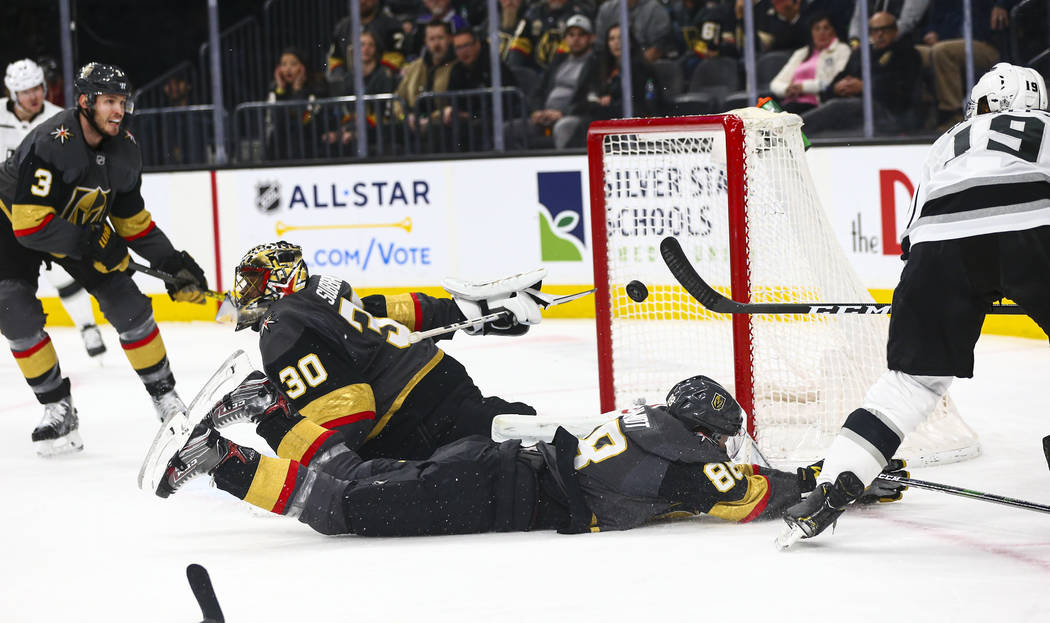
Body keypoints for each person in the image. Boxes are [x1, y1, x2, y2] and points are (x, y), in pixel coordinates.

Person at [781, 63, 1049, 546]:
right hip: (1036, 226)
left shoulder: (949, 141)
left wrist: (963, 290)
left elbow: (912, 239)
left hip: (942, 244)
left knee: (910, 381)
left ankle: (833, 485)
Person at [151, 371, 909, 536]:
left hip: (498, 466)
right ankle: (220, 457)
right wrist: (842, 482)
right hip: (499, 488)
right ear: (707, 431)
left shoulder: (653, 419)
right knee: (345, 506)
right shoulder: (688, 460)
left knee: (354, 473)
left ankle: (271, 410)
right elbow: (748, 494)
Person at [0, 62, 210, 456]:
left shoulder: (125, 150)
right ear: (84, 102)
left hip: (76, 225)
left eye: (122, 101)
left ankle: (165, 398)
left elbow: (132, 223)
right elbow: (30, 225)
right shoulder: (51, 141)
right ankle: (57, 407)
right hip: (11, 221)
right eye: (109, 101)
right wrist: (91, 243)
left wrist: (172, 263)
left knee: (129, 307)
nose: (119, 110)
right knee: (14, 312)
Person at [212, 241, 539, 461]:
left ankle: (545, 447)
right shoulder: (320, 290)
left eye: (254, 282)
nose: (245, 292)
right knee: (493, 424)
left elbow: (350, 411)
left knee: (488, 459)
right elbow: (387, 310)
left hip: (409, 415)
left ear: (280, 279)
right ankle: (531, 430)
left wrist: (322, 467)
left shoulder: (279, 326)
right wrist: (466, 314)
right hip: (439, 377)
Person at [1, 59, 107, 360]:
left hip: (46, 210)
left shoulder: (60, 119)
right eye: (24, 91)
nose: (32, 96)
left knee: (62, 275)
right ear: (12, 93)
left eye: (36, 88)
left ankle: (88, 327)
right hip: (4, 216)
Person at [800, 11, 922, 136]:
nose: (880, 34)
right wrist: (836, 87)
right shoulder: (861, 53)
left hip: (888, 113)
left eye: (885, 29)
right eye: (875, 30)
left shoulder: (907, 54)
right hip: (855, 111)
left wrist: (865, 86)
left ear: (895, 30)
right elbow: (841, 76)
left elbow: (901, 91)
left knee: (836, 107)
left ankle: (794, 130)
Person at [917, 0, 1017, 131]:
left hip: (986, 45)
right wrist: (931, 32)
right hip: (947, 43)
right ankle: (920, 114)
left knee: (942, 51)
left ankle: (953, 115)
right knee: (916, 53)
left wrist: (1001, 5)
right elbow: (934, 19)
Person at [511, 14, 600, 149]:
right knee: (510, 129)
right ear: (565, 38)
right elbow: (539, 90)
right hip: (545, 115)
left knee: (563, 126)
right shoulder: (559, 60)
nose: (576, 39)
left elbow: (589, 98)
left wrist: (563, 113)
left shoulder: (595, 63)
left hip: (573, 116)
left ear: (591, 38)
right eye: (571, 34)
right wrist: (537, 111)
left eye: (581, 34)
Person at [769, 12, 850, 114]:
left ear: (833, 31)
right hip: (789, 103)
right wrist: (787, 89)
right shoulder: (802, 53)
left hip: (817, 105)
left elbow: (832, 82)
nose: (821, 32)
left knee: (779, 117)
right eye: (817, 28)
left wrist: (802, 87)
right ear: (811, 32)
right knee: (762, 110)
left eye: (826, 28)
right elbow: (776, 83)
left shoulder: (842, 50)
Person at [265, 47, 329, 161]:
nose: (287, 69)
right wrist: (280, 91)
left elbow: (306, 119)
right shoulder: (276, 89)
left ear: (303, 67)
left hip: (309, 143)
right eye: (283, 64)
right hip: (281, 148)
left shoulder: (317, 87)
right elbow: (276, 120)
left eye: (293, 64)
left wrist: (298, 90)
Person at [594, 0, 677, 63]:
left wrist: (632, 68)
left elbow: (657, 49)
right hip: (611, 67)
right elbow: (600, 46)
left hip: (646, 67)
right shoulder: (606, 9)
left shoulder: (655, 9)